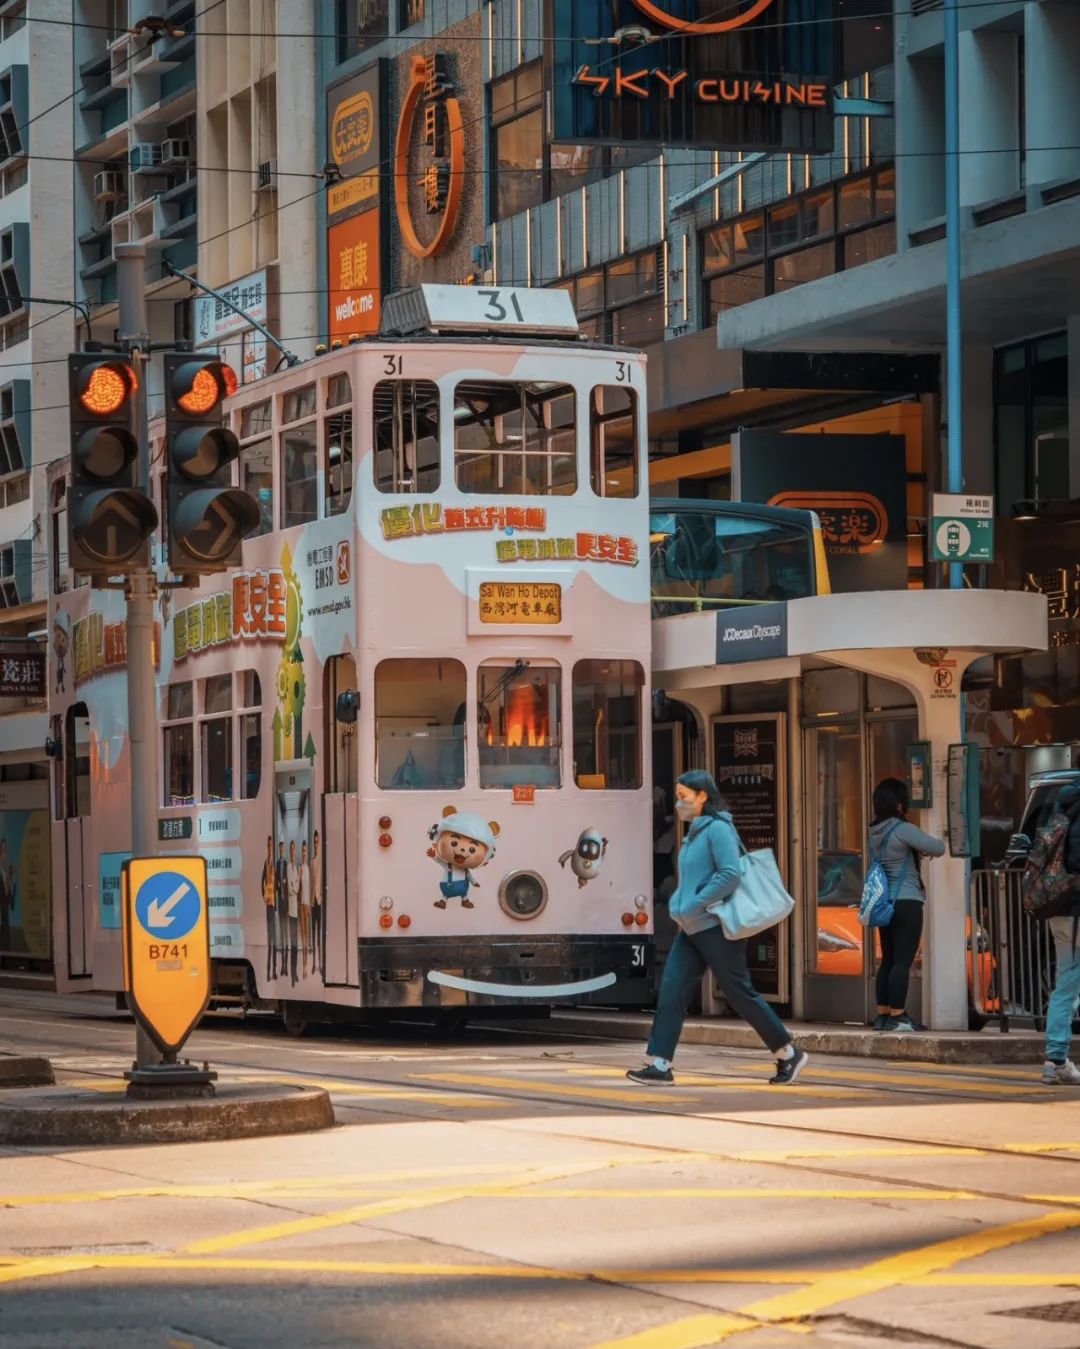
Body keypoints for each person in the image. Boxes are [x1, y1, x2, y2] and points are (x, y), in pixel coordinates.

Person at [627, 770, 807, 1087]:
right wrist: (682, 906)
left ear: (702, 797)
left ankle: (788, 1052)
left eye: (683, 797)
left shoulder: (718, 829)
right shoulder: (695, 831)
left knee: (739, 993)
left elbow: (730, 874)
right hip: (692, 928)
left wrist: (696, 902)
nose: (679, 803)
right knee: (671, 990)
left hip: (715, 927)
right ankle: (660, 1064)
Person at [868, 778, 945, 1032]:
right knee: (903, 961)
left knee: (888, 959)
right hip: (907, 901)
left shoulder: (874, 831)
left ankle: (882, 1015)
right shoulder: (902, 829)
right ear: (899, 804)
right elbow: (937, 848)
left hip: (884, 903)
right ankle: (898, 1016)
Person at [1041, 781, 1080, 1085]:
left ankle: (1055, 1058)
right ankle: (1056, 1056)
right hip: (1077, 908)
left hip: (1056, 904)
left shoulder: (1060, 801)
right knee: (1069, 981)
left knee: (1065, 978)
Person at [261, 835, 277, 980]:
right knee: (269, 939)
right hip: (269, 906)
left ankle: (274, 970)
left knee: (275, 939)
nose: (270, 848)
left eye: (271, 845)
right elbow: (263, 882)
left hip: (275, 906)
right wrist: (264, 897)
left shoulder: (275, 864)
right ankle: (268, 971)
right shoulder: (266, 863)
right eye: (269, 845)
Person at [286, 840, 301, 986]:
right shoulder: (287, 867)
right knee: (291, 943)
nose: (292, 852)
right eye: (291, 849)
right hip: (289, 910)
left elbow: (296, 887)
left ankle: (294, 972)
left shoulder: (295, 868)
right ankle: (291, 974)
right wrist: (293, 885)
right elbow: (291, 888)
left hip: (295, 910)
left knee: (295, 944)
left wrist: (293, 885)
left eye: (293, 849)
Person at [274, 840, 289, 981]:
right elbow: (275, 885)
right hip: (280, 901)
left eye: (283, 848)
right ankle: (282, 965)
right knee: (281, 931)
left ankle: (285, 965)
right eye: (281, 849)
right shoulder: (278, 865)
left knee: (286, 933)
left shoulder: (287, 864)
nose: (282, 851)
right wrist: (278, 885)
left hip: (286, 903)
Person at [310, 830, 324, 975]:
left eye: (317, 841)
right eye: (315, 841)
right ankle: (315, 964)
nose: (316, 844)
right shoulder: (313, 860)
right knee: (314, 935)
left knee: (320, 934)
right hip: (313, 902)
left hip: (320, 901)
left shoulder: (322, 861)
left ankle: (321, 964)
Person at [298, 840, 312, 979]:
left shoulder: (308, 868)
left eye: (305, 851)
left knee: (307, 937)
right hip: (301, 905)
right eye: (302, 851)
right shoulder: (301, 868)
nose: (303, 853)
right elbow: (298, 887)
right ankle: (303, 968)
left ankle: (306, 966)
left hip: (308, 905)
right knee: (303, 937)